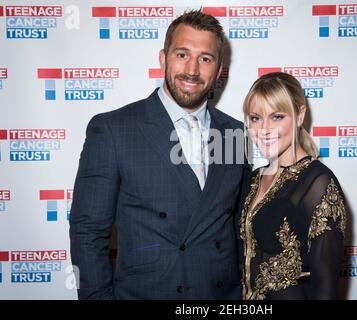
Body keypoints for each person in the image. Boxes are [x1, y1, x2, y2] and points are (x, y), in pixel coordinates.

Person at [69, 10, 244, 299]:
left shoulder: (235, 132)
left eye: (205, 58)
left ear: (218, 69)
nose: (192, 69)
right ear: (163, 58)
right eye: (182, 54)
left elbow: (238, 227)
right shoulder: (113, 130)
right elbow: (87, 233)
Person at [238, 72, 347, 300]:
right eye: (256, 118)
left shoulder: (318, 183)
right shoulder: (252, 179)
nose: (264, 129)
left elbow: (326, 287)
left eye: (277, 117)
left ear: (299, 116)